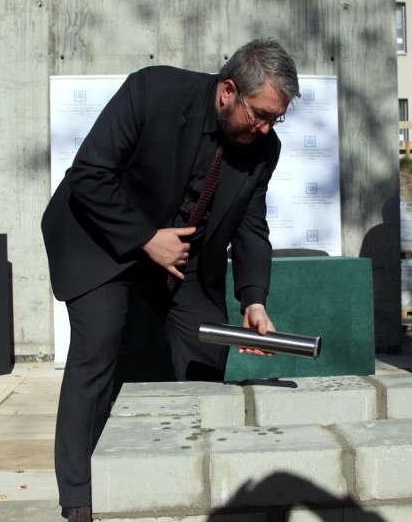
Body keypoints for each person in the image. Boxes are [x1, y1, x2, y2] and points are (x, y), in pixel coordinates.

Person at [41, 38, 300, 521]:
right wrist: (145, 238)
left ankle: (185, 471)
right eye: (260, 114)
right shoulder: (153, 91)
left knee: (207, 343)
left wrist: (254, 299)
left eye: (275, 119)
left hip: (183, 260)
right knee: (98, 347)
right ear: (228, 91)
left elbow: (250, 223)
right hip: (101, 238)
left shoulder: (265, 147)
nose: (266, 127)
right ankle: (79, 498)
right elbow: (90, 175)